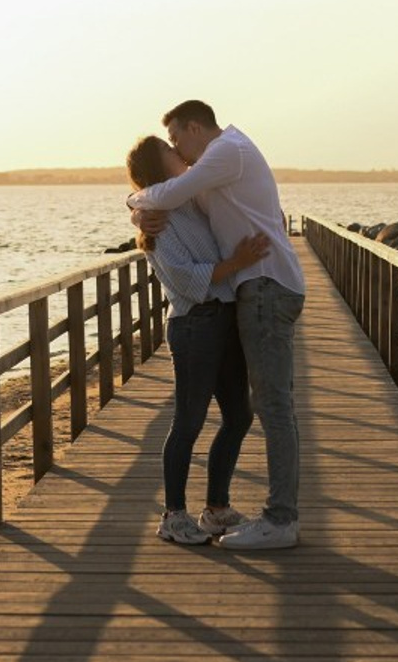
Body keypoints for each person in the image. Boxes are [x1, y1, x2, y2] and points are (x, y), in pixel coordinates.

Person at [128, 100, 306, 550]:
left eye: (176, 141)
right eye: (169, 149)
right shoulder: (178, 203)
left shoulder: (221, 157)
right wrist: (137, 205)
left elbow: (172, 192)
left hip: (246, 299)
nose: (179, 153)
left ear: (193, 128)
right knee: (196, 419)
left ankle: (238, 511)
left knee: (253, 411)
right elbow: (185, 274)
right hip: (201, 320)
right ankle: (177, 514)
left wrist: (136, 201)